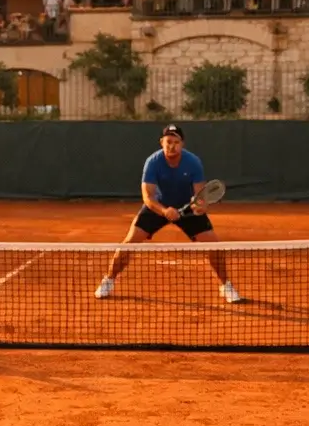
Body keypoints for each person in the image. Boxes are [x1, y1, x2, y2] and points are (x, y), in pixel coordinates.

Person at [94, 124, 240, 303]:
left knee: (214, 246)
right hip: (158, 207)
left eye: (176, 142)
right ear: (161, 142)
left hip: (187, 209)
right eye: (168, 142)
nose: (172, 146)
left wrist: (200, 207)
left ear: (182, 144)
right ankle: (108, 280)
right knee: (128, 243)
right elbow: (148, 197)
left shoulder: (193, 162)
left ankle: (226, 285)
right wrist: (164, 211)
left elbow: (201, 196)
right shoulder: (153, 162)